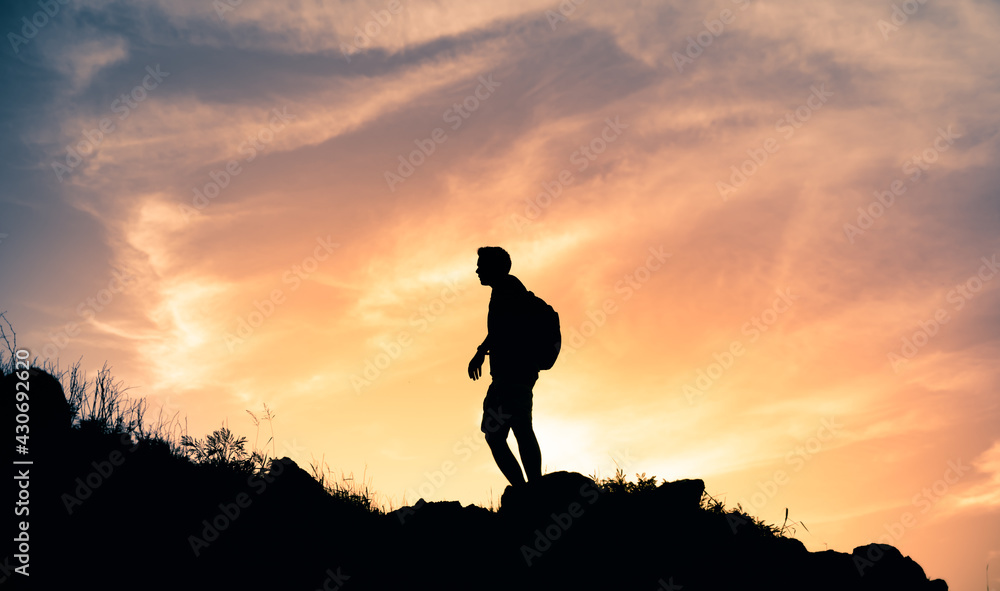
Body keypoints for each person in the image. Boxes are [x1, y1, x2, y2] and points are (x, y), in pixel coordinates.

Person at [468, 246, 542, 487]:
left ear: (495, 267)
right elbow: (500, 330)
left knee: (499, 434)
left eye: (482, 265)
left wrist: (480, 352)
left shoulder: (508, 291)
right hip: (514, 374)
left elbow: (503, 329)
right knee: (515, 429)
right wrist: (482, 351)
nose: (477, 270)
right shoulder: (506, 290)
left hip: (511, 375)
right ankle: (532, 488)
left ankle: (528, 489)